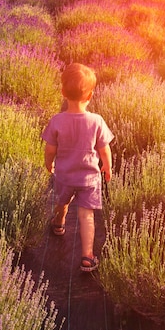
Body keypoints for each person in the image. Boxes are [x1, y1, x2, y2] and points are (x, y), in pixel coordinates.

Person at [42, 63, 113, 272]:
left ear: (63, 92)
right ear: (90, 95)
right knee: (86, 215)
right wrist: (107, 167)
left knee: (62, 202)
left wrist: (49, 163)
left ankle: (59, 223)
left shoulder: (57, 121)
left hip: (64, 175)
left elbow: (50, 149)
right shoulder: (96, 121)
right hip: (89, 179)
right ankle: (87, 256)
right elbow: (104, 149)